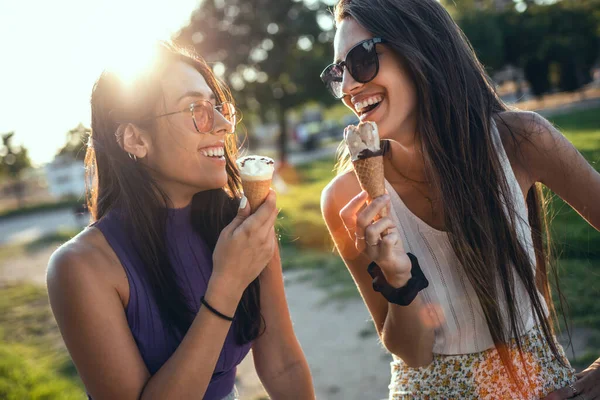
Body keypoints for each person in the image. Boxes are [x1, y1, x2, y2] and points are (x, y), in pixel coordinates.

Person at [319, 0, 600, 398]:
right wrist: (399, 280)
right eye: (338, 72)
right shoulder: (345, 199)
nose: (347, 88)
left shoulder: (521, 142)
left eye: (361, 60)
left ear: (421, 46)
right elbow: (413, 354)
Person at [47, 42, 315, 400]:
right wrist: (226, 283)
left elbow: (283, 364)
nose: (222, 126)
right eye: (196, 110)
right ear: (136, 139)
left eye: (219, 108)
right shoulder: (79, 266)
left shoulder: (239, 227)